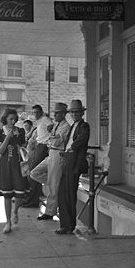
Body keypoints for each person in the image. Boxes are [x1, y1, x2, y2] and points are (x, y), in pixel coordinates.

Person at [30, 102, 71, 220]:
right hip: (51, 152)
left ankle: (50, 211)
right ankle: (54, 183)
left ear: (63, 114)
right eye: (56, 113)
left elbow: (56, 141)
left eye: (58, 113)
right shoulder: (56, 126)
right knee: (34, 173)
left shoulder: (65, 127)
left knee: (53, 186)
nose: (56, 115)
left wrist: (52, 139)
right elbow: (51, 139)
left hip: (58, 153)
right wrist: (52, 138)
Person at [56, 99, 90, 235]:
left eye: (77, 112)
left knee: (69, 194)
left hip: (74, 161)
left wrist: (71, 148)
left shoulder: (84, 126)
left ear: (81, 113)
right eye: (72, 112)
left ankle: (69, 226)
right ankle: (65, 224)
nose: (74, 114)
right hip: (67, 160)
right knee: (62, 193)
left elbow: (83, 139)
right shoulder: (72, 126)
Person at [0, 108, 29, 233]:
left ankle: (15, 211)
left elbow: (23, 147)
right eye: (10, 119)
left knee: (20, 193)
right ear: (5, 119)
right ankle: (7, 221)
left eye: (15, 119)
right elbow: (0, 151)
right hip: (5, 165)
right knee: (7, 195)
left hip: (18, 164)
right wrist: (8, 138)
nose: (13, 121)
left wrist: (23, 148)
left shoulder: (20, 131)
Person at [22, 104, 53, 208]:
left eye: (36, 112)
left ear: (41, 112)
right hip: (39, 146)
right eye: (33, 112)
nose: (35, 114)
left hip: (43, 147)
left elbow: (51, 127)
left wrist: (50, 138)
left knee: (33, 172)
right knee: (32, 172)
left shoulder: (45, 119)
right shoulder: (39, 122)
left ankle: (32, 201)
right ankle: (32, 198)